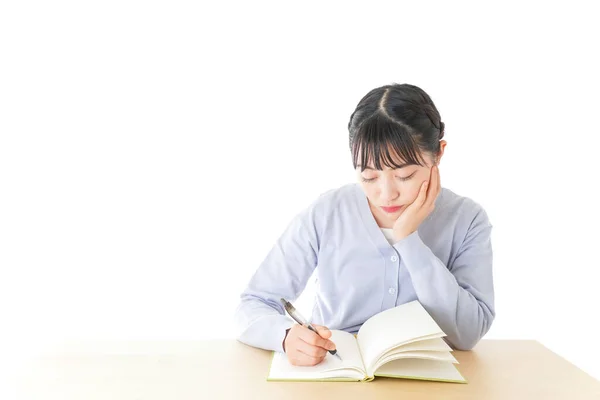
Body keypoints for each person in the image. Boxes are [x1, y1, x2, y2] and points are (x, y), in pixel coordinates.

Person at [234, 83, 495, 367]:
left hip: (430, 382)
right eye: (369, 177)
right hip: (334, 375)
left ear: (439, 154)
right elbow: (253, 303)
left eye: (405, 175)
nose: (387, 194)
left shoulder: (467, 219)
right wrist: (285, 336)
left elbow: (468, 335)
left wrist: (408, 240)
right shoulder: (327, 212)